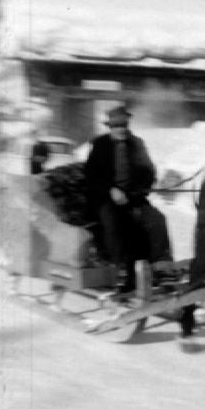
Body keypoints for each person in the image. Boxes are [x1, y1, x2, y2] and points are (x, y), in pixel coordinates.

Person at [84, 105, 156, 292]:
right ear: (110, 127)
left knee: (156, 220)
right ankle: (121, 269)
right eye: (116, 125)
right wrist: (111, 190)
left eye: (123, 124)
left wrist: (141, 190)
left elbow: (149, 171)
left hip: (133, 197)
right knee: (114, 223)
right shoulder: (100, 145)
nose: (121, 128)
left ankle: (159, 265)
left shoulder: (137, 143)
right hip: (106, 198)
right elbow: (91, 175)